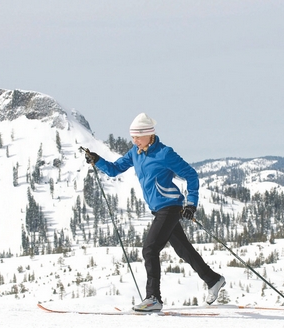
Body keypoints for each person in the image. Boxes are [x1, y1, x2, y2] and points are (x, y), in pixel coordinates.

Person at [83, 113, 226, 312]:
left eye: (137, 137)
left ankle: (153, 298)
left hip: (170, 207)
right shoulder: (135, 153)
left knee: (150, 249)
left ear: (149, 134)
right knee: (183, 249)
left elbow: (191, 175)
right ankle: (213, 279)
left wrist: (191, 203)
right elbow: (114, 169)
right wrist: (97, 160)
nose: (134, 141)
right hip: (159, 210)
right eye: (132, 137)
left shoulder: (164, 153)